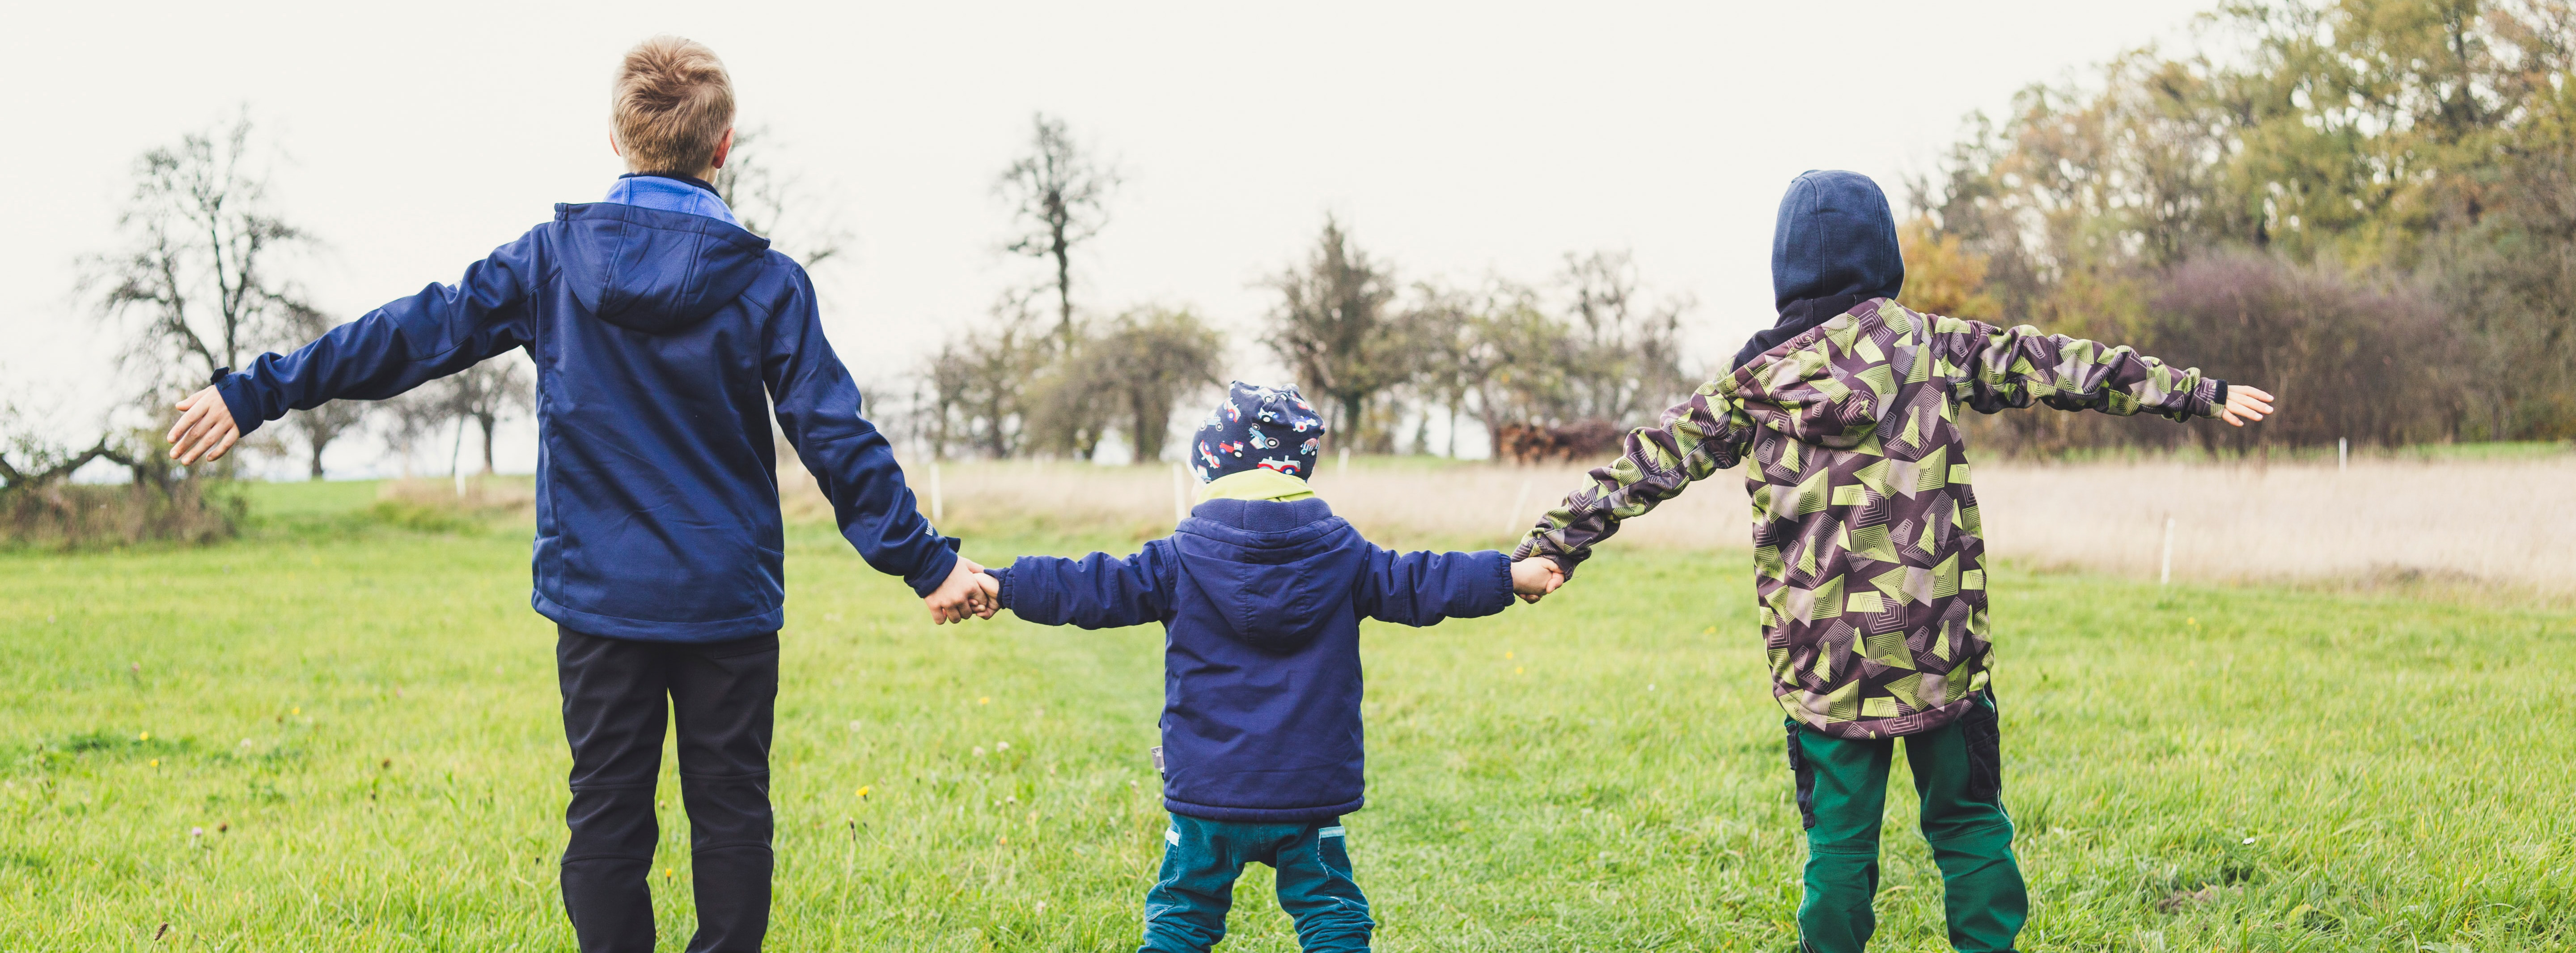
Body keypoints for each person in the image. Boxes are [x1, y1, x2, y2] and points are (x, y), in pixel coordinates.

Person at [158, 36, 992, 953]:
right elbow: (835, 437)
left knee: (607, 822)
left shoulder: (551, 262)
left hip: (600, 601)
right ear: (722, 148)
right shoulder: (766, 282)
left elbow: (408, 336)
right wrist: (929, 565)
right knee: (731, 816)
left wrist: (256, 390)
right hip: (725, 601)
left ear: (615, 139)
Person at [1509, 170, 2275, 953]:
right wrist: (2196, 392)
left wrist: (1552, 545)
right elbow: (2052, 362)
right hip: (1938, 647)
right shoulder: (1929, 346)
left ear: (1785, 269)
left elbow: (1643, 464)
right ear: (1884, 256)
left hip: (1826, 663)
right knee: (1970, 822)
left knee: (1839, 850)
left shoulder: (1749, 388)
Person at [963, 382, 1563, 953]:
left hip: (1208, 791)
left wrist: (1005, 584)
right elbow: (1425, 580)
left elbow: (1089, 586)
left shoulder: (1178, 557)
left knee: (1183, 913)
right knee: (1331, 910)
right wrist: (1509, 575)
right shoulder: (1346, 555)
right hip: (1308, 789)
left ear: (1215, 469)